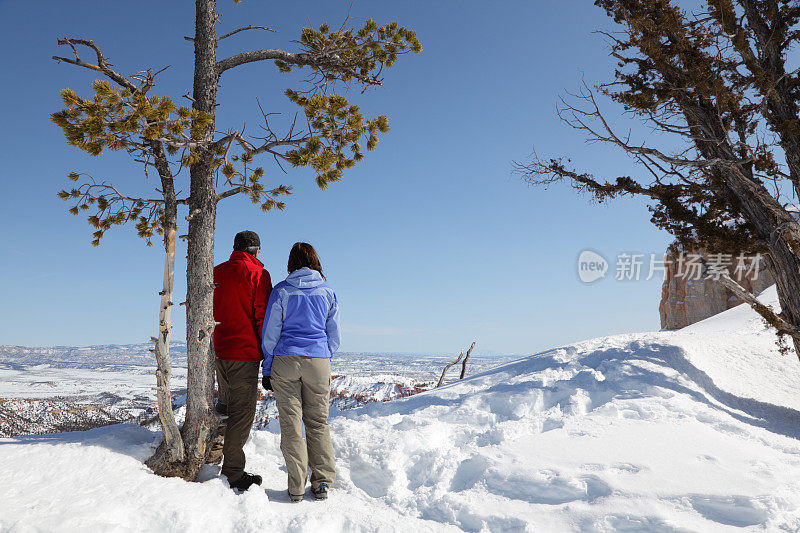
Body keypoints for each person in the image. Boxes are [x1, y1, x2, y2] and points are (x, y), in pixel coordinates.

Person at [261, 242, 340, 502]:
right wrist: (323, 354)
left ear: (291, 263)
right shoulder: (327, 291)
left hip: (286, 359)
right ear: (316, 261)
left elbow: (271, 332)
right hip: (317, 359)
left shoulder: (281, 291)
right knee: (317, 423)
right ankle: (322, 484)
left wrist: (269, 365)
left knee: (291, 424)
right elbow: (334, 333)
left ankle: (296, 487)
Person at [212, 230, 272, 491]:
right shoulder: (258, 274)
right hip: (244, 353)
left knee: (224, 406)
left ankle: (210, 455)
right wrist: (266, 351)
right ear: (257, 251)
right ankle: (233, 474)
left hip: (217, 350)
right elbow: (262, 317)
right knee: (242, 413)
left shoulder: (216, 271)